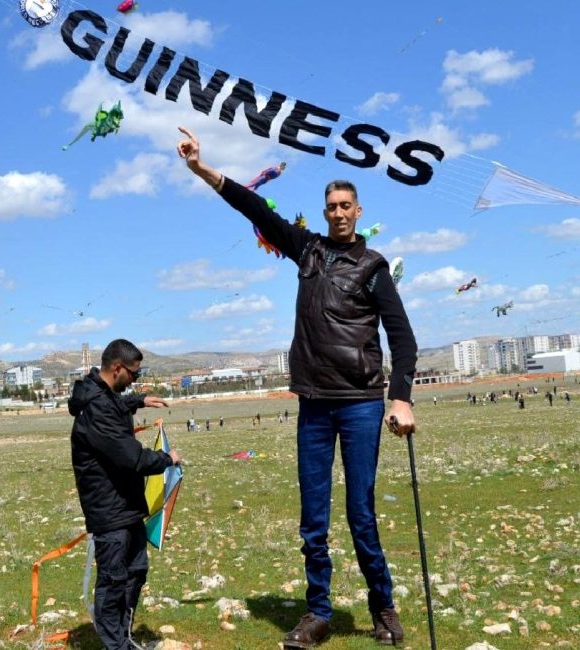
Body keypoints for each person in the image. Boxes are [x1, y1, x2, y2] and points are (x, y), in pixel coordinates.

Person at [178, 127, 417, 647]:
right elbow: (255, 209)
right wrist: (202, 168)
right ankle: (318, 614)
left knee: (360, 515)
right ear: (325, 211)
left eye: (346, 205)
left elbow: (401, 336)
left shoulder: (374, 269)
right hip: (313, 405)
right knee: (314, 521)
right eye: (331, 205)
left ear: (358, 211)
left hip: (358, 404)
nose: (338, 212)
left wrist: (400, 396)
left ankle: (383, 608)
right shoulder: (306, 250)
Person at [68, 339, 181, 650]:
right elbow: (131, 458)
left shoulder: (103, 395)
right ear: (117, 368)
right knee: (114, 580)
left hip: (127, 505)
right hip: (109, 509)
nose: (136, 380)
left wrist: (140, 401)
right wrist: (167, 460)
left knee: (136, 571)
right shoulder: (96, 410)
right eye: (134, 375)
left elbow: (115, 402)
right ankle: (115, 645)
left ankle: (123, 636)